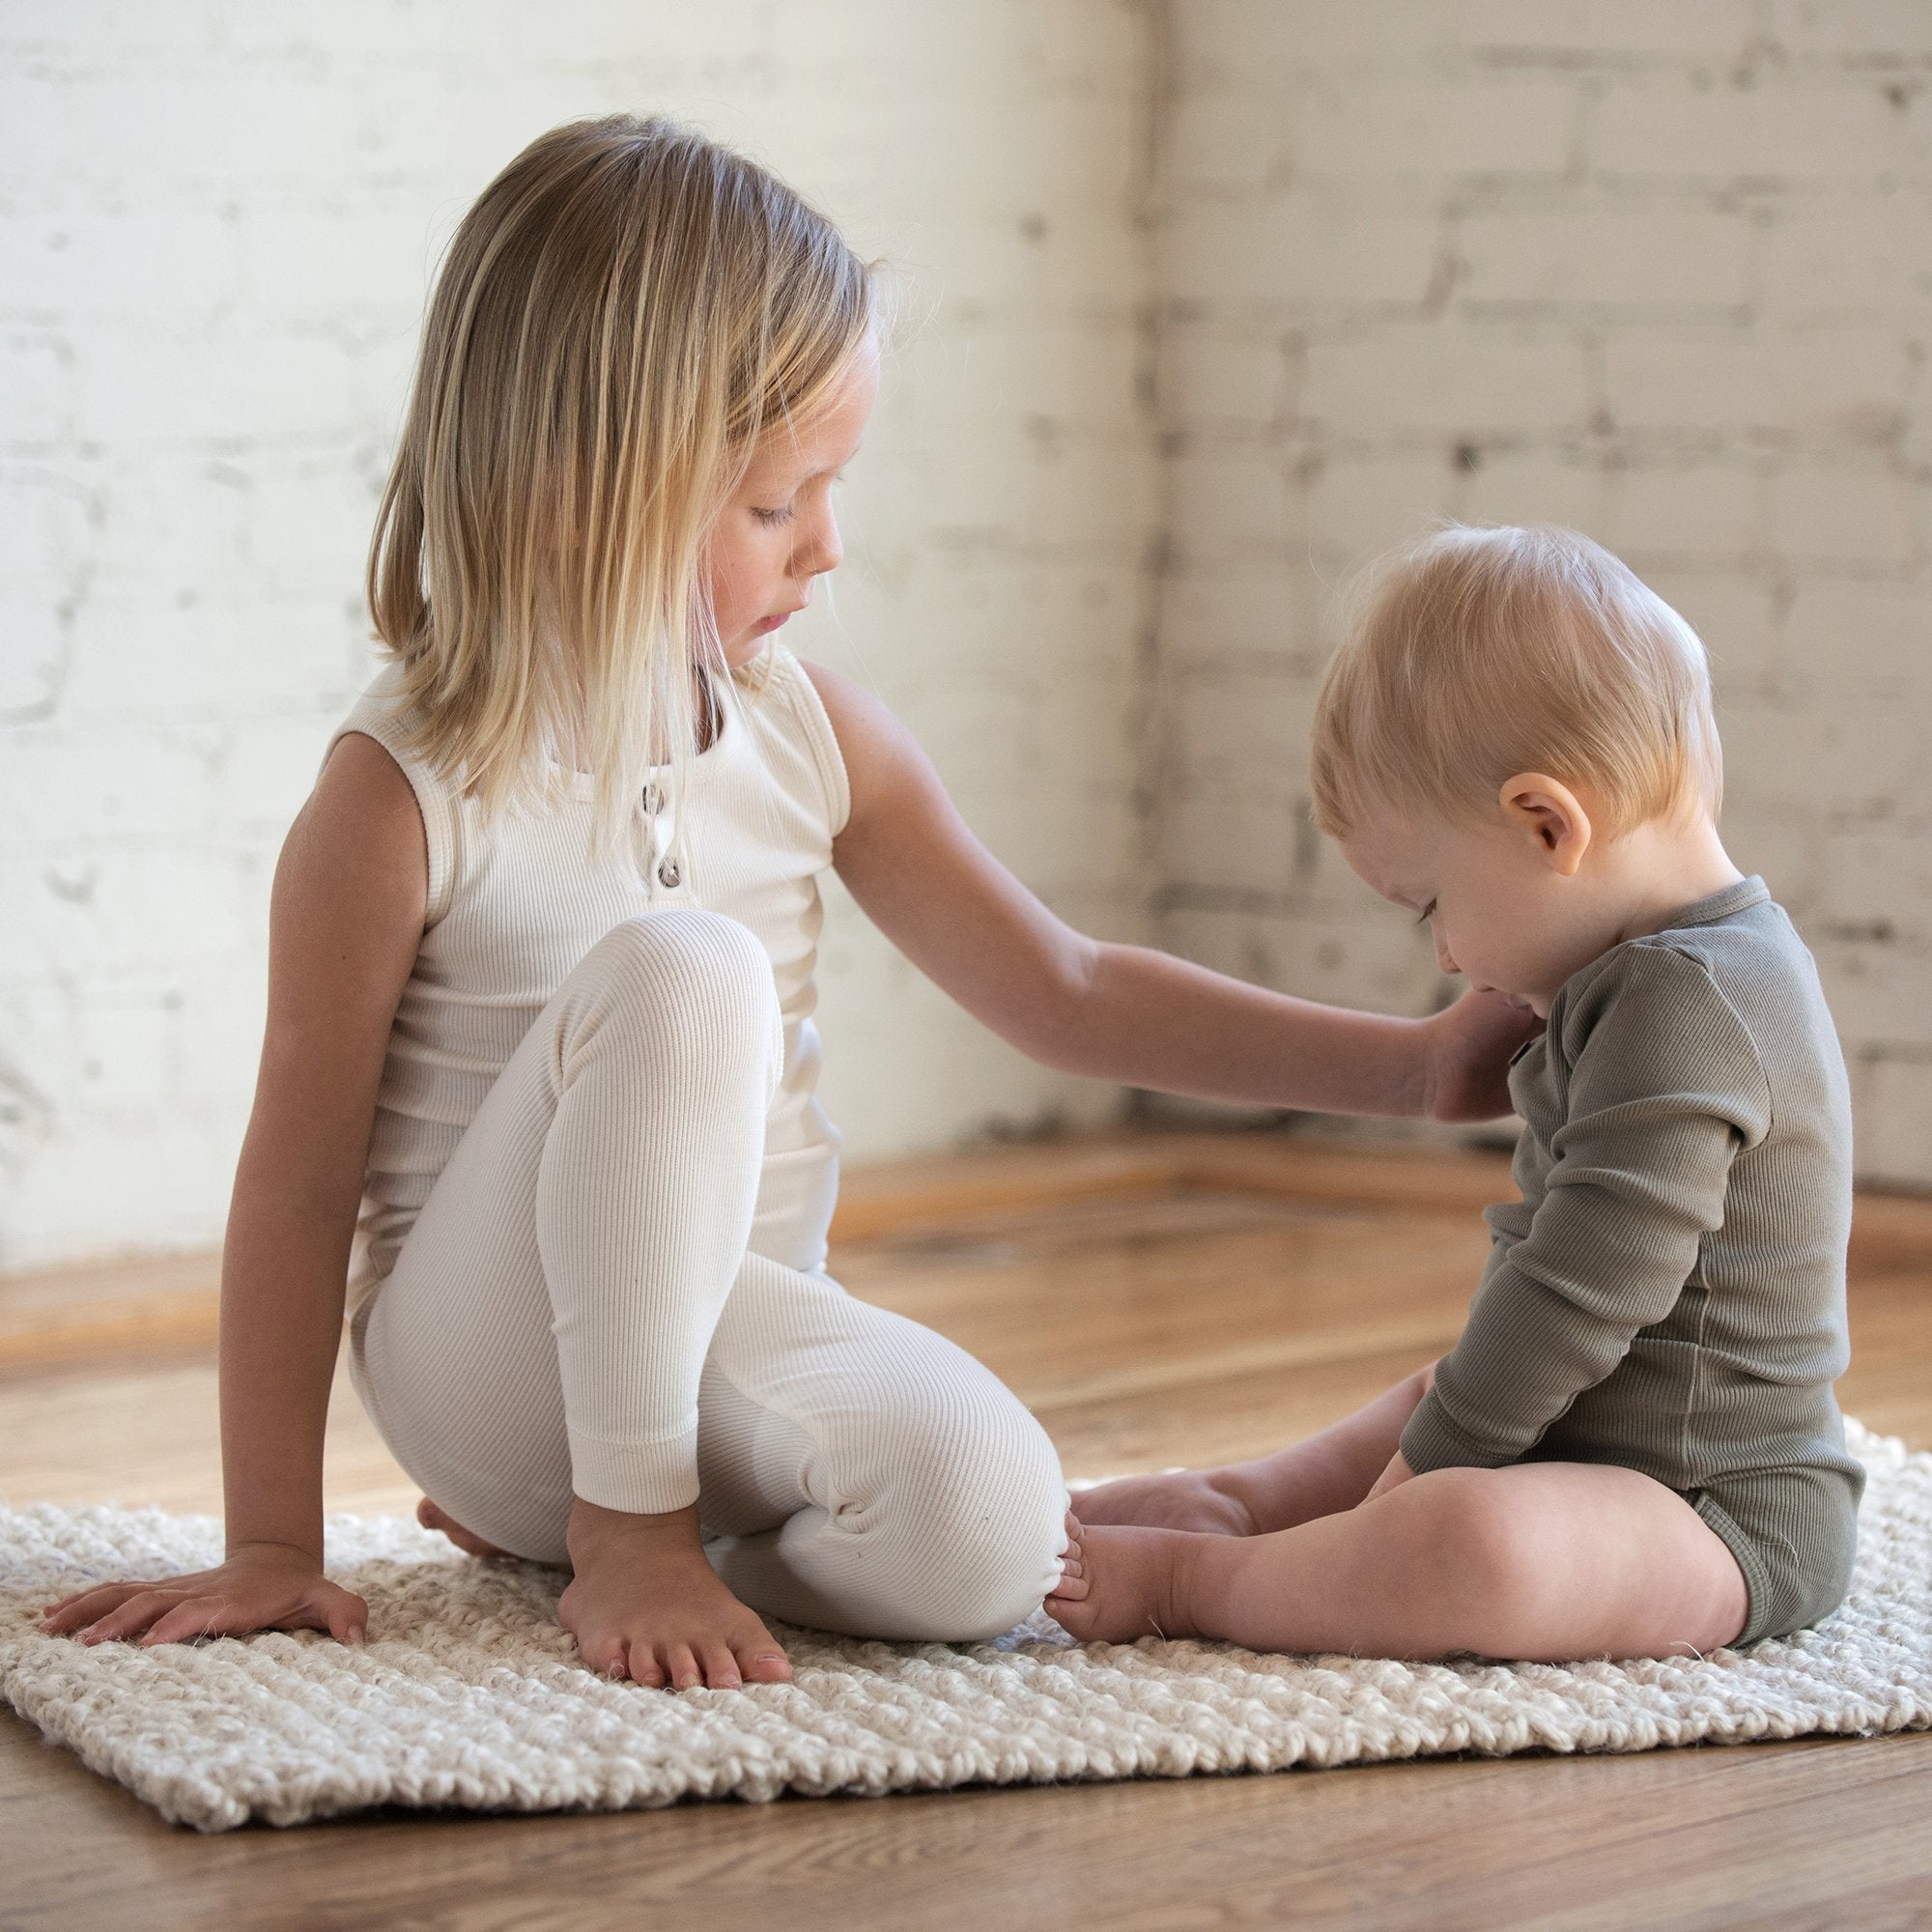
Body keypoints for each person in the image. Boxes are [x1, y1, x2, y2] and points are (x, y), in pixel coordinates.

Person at [41, 119, 1531, 1692]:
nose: (832, 545)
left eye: (835, 489)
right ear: (581, 490)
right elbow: (295, 1180)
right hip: (489, 1378)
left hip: (722, 1345)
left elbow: (1068, 988)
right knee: (691, 972)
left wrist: (1414, 1067)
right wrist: (274, 1543)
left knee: (994, 1532)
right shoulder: (401, 795)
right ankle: (616, 1528)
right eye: (777, 503)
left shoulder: (812, 732)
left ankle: (650, 1534)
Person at [1051, 524, 1864, 1662]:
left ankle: (1204, 1577)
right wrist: (1436, 1434)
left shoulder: (1690, 999)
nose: (1438, 954)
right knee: (1450, 1388)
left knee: (1466, 1536)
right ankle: (1241, 1501)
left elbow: (1581, 1286)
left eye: (1427, 901)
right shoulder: (1635, 972)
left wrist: (1431, 1467)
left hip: (1710, 1508)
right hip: (1589, 1442)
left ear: (1545, 824)